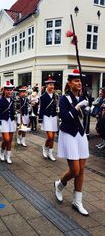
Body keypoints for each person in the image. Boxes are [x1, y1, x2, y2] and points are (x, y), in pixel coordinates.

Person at [54, 69, 89, 216]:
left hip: (81, 134)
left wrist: (88, 107)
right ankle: (60, 184)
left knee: (81, 169)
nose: (79, 83)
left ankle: (77, 201)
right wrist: (77, 107)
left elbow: (87, 115)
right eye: (76, 80)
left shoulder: (84, 96)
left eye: (80, 80)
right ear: (69, 83)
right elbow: (65, 117)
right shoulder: (64, 98)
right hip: (68, 133)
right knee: (74, 170)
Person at [39, 78, 59, 161]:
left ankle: (50, 153)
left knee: (53, 137)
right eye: (50, 85)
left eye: (53, 85)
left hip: (54, 117)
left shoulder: (56, 96)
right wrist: (40, 120)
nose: (52, 86)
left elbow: (57, 106)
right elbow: (41, 109)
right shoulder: (43, 97)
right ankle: (45, 147)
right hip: (47, 117)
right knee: (50, 137)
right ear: (47, 85)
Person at [0, 81, 16, 164]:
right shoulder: (1, 101)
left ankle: (8, 156)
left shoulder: (12, 100)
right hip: (4, 121)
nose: (9, 91)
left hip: (11, 121)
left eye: (10, 90)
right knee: (6, 139)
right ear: (4, 91)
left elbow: (12, 111)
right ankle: (1, 150)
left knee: (10, 140)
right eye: (7, 90)